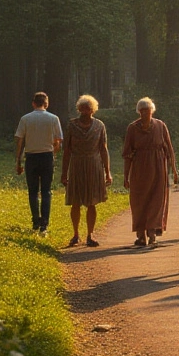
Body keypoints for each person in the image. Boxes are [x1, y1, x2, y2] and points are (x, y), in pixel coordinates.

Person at [122, 97, 178, 247]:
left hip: (158, 165)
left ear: (152, 111)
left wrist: (174, 169)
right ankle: (141, 235)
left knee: (157, 199)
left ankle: (152, 233)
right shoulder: (132, 128)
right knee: (139, 200)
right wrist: (126, 176)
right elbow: (127, 153)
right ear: (138, 112)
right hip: (140, 167)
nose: (144, 113)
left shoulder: (160, 125)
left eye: (147, 110)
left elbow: (169, 148)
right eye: (141, 111)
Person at [61, 94, 112, 248]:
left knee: (92, 202)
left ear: (93, 110)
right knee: (75, 201)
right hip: (76, 164)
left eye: (88, 108)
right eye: (82, 108)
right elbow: (67, 150)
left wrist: (107, 172)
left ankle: (90, 234)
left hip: (94, 164)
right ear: (79, 109)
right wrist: (64, 173)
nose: (85, 111)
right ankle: (75, 234)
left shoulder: (99, 125)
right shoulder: (72, 125)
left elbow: (103, 149)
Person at [14, 91, 63, 236]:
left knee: (33, 191)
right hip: (47, 156)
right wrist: (53, 152)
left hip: (31, 157)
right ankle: (44, 224)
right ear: (46, 103)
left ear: (33, 103)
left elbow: (20, 140)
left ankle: (35, 220)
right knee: (46, 191)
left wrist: (18, 160)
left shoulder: (25, 119)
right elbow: (58, 141)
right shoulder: (54, 118)